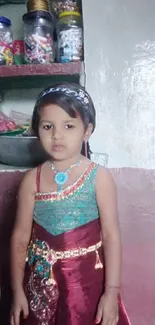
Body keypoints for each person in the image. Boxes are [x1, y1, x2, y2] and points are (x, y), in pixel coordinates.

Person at [11, 83, 131, 325]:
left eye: (68, 126)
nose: (57, 135)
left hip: (87, 286)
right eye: (47, 126)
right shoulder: (31, 181)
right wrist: (17, 292)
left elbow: (111, 236)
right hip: (42, 286)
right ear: (37, 129)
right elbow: (21, 239)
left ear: (87, 131)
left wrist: (111, 291)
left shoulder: (99, 178)